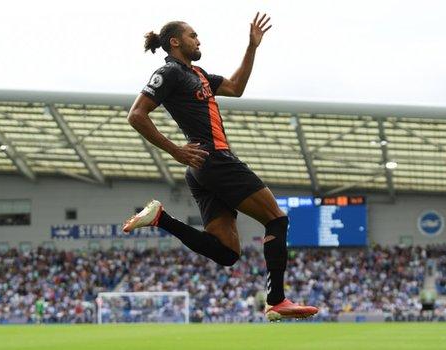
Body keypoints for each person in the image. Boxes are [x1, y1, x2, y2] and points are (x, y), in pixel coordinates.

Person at [122, 12, 318, 321]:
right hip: (213, 159)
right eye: (192, 35)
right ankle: (277, 300)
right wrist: (175, 151)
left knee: (227, 253)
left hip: (203, 167)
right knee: (277, 220)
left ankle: (161, 219)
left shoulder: (198, 74)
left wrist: (252, 46)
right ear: (175, 42)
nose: (198, 40)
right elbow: (136, 115)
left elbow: (237, 87)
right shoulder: (169, 73)